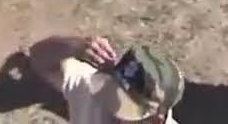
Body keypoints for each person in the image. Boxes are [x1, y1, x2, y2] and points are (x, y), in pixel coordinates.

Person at [27, 36, 183, 124]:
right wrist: (75, 47)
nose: (113, 108)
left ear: (156, 119)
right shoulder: (96, 91)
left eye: (123, 108)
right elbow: (39, 58)